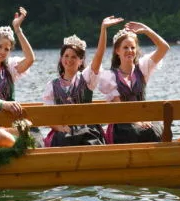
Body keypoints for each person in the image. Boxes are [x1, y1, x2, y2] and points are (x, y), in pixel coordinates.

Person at [41, 16, 124, 146]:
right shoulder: (52, 85)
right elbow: (48, 116)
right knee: (63, 140)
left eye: (74, 57)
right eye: (66, 56)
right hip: (63, 130)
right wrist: (61, 128)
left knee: (88, 140)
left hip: (87, 129)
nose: (69, 60)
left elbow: (99, 55)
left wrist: (103, 29)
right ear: (61, 59)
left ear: (80, 61)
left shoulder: (86, 78)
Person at [98, 22, 170, 144]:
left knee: (155, 131)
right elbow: (120, 109)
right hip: (122, 124)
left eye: (132, 47)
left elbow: (164, 48)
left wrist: (146, 30)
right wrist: (138, 122)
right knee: (135, 132)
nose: (130, 51)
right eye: (125, 47)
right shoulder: (110, 77)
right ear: (117, 51)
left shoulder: (142, 68)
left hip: (144, 120)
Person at [0, 7, 35, 106]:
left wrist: (18, 30)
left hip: (9, 115)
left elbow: (30, 59)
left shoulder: (10, 68)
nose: (2, 51)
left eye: (6, 49)